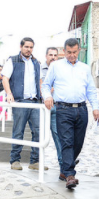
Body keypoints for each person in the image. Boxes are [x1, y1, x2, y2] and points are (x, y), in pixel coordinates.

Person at [42, 38, 99, 189]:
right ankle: (70, 175)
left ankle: (64, 170)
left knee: (78, 143)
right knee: (66, 142)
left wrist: (95, 107)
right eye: (69, 52)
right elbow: (46, 85)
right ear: (64, 51)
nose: (72, 55)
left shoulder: (85, 68)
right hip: (63, 109)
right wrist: (48, 96)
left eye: (74, 52)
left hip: (81, 109)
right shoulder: (56, 66)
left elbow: (91, 90)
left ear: (79, 51)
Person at [2, 37, 46, 171]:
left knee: (38, 132)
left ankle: (35, 161)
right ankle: (15, 160)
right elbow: (5, 78)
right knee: (18, 131)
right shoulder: (13, 60)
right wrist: (9, 93)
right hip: (20, 101)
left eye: (31, 47)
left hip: (35, 102)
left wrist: (43, 95)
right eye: (26, 47)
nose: (29, 49)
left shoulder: (36, 62)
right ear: (21, 47)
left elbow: (39, 81)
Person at [40, 46, 63, 179]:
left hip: (56, 107)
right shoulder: (40, 68)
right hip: (42, 108)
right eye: (51, 55)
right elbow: (42, 85)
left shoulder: (60, 68)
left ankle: (63, 166)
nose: (53, 57)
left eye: (55, 55)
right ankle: (37, 162)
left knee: (58, 137)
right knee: (39, 136)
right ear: (46, 56)